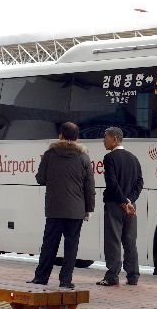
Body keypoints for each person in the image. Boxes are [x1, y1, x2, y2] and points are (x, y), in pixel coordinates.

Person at [28, 122, 95, 289]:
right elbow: (89, 186)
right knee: (71, 246)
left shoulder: (50, 154)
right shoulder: (83, 158)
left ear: (60, 136)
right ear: (77, 138)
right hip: (76, 210)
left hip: (55, 209)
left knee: (49, 244)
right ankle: (65, 280)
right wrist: (89, 209)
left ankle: (41, 278)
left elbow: (40, 179)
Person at [96, 127, 144, 286]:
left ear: (115, 139)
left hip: (114, 205)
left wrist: (123, 201)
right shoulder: (134, 158)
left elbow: (112, 183)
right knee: (130, 240)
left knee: (113, 240)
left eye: (105, 137)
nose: (104, 140)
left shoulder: (109, 158)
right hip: (131, 207)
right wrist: (130, 200)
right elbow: (139, 183)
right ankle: (133, 276)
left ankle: (112, 276)